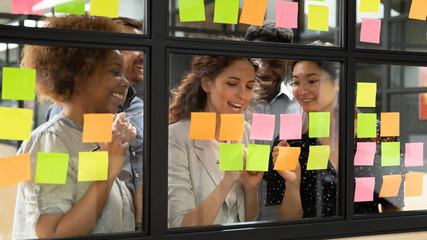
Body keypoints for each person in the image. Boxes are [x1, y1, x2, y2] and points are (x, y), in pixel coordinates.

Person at [12, 15, 139, 239]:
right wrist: (110, 171)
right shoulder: (50, 142)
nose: (125, 82)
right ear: (83, 74)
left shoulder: (95, 136)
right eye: (115, 71)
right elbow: (51, 233)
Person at [266, 40, 406, 219]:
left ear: (338, 81)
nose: (302, 90)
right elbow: (289, 222)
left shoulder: (379, 136)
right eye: (296, 82)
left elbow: (392, 208)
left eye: (312, 81)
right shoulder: (289, 141)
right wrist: (292, 184)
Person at [45, 17, 144, 198]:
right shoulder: (71, 111)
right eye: (135, 46)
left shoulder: (141, 108)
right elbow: (54, 191)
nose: (144, 53)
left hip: (134, 220)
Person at [168, 55, 263, 227]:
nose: (242, 95)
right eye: (232, 84)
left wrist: (251, 188)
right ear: (207, 84)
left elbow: (249, 222)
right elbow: (180, 225)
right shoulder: (176, 136)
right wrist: (227, 181)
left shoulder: (247, 132)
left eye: (249, 86)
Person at [244, 20, 299, 221]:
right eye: (259, 63)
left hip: (285, 209)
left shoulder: (303, 104)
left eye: (275, 64)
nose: (265, 71)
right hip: (236, 206)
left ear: (289, 62)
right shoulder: (232, 101)